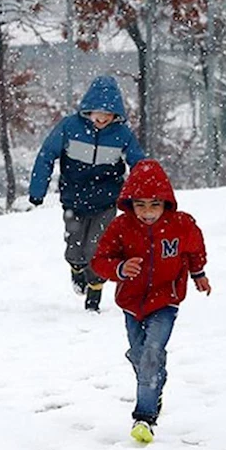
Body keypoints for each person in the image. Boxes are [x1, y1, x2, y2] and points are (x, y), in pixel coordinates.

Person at [91, 159, 211, 443]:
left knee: (152, 352)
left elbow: (195, 249)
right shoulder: (121, 227)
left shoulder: (181, 225)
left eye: (154, 205)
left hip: (165, 300)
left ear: (166, 203)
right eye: (140, 205)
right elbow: (100, 260)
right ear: (130, 204)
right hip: (131, 302)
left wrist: (199, 273)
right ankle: (154, 381)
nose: (147, 212)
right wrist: (119, 269)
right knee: (139, 354)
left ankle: (144, 417)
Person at [28, 75, 145, 311]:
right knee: (75, 246)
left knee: (98, 247)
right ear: (88, 110)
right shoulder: (70, 127)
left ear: (116, 115)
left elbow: (140, 164)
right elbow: (46, 155)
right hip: (74, 198)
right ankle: (76, 268)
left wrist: (144, 195)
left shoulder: (122, 134)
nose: (102, 119)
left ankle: (95, 290)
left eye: (108, 115)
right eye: (97, 113)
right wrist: (37, 189)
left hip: (106, 201)